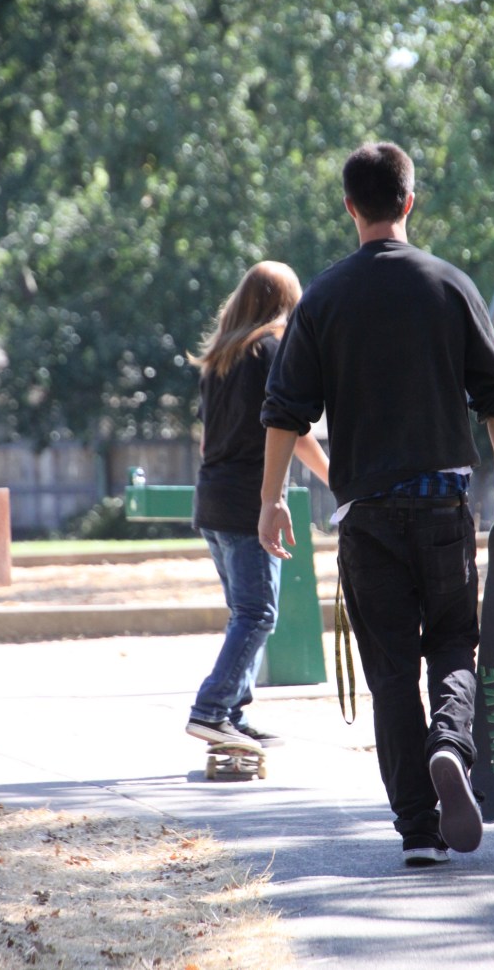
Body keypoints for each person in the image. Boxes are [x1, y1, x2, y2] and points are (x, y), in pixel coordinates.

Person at [258, 142, 494, 865]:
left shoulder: (321, 299)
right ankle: (451, 743)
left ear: (349, 207)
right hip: (442, 507)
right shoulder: (448, 285)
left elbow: (284, 410)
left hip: (366, 517)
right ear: (409, 200)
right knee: (450, 643)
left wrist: (270, 503)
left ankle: (418, 830)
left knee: (388, 673)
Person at [186, 261, 330, 750]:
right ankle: (210, 710)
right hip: (249, 501)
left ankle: (229, 714)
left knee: (243, 612)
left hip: (213, 500)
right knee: (257, 614)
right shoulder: (273, 350)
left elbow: (207, 443)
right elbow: (291, 427)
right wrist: (337, 477)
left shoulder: (220, 358)